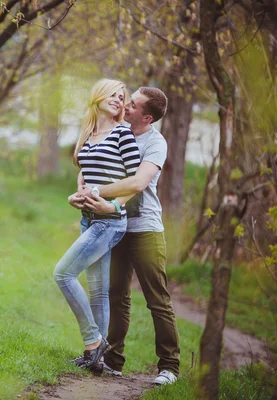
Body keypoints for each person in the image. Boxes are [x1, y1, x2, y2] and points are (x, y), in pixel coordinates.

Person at [73, 87, 180, 385]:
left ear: (147, 117)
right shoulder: (116, 130)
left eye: (132, 104)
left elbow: (138, 182)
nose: (125, 105)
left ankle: (169, 367)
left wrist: (95, 192)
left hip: (145, 228)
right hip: (114, 225)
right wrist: (84, 185)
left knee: (157, 299)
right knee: (116, 295)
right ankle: (112, 360)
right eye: (127, 100)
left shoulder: (155, 143)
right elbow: (90, 163)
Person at [54, 78, 140, 370]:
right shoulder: (88, 135)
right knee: (98, 291)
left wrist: (114, 204)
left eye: (122, 97)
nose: (118, 100)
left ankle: (94, 341)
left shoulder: (122, 134)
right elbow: (86, 180)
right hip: (88, 220)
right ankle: (96, 359)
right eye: (113, 95)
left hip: (110, 222)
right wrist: (73, 198)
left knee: (63, 274)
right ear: (98, 96)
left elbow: (134, 182)